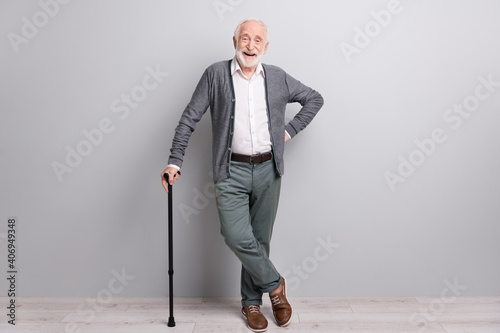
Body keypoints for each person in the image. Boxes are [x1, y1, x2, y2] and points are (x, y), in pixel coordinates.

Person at [161, 18, 323, 332]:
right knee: (235, 235)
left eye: (257, 40)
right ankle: (276, 286)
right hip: (230, 168)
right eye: (245, 38)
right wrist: (174, 161)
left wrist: (287, 132)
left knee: (260, 241)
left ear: (265, 46)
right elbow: (189, 118)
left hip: (268, 169)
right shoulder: (216, 74)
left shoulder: (276, 77)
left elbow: (314, 99)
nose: (250, 45)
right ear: (235, 41)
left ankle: (251, 304)